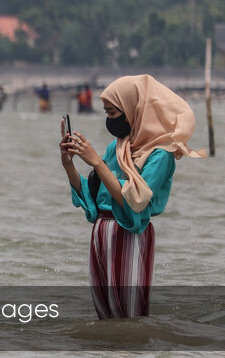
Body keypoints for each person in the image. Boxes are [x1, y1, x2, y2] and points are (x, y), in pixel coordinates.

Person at [59, 75, 204, 319]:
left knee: (130, 315)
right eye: (106, 113)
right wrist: (68, 164)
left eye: (114, 113)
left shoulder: (161, 154)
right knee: (106, 317)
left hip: (129, 233)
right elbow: (93, 196)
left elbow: (135, 200)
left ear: (134, 110)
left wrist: (95, 161)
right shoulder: (116, 148)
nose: (110, 120)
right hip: (101, 232)